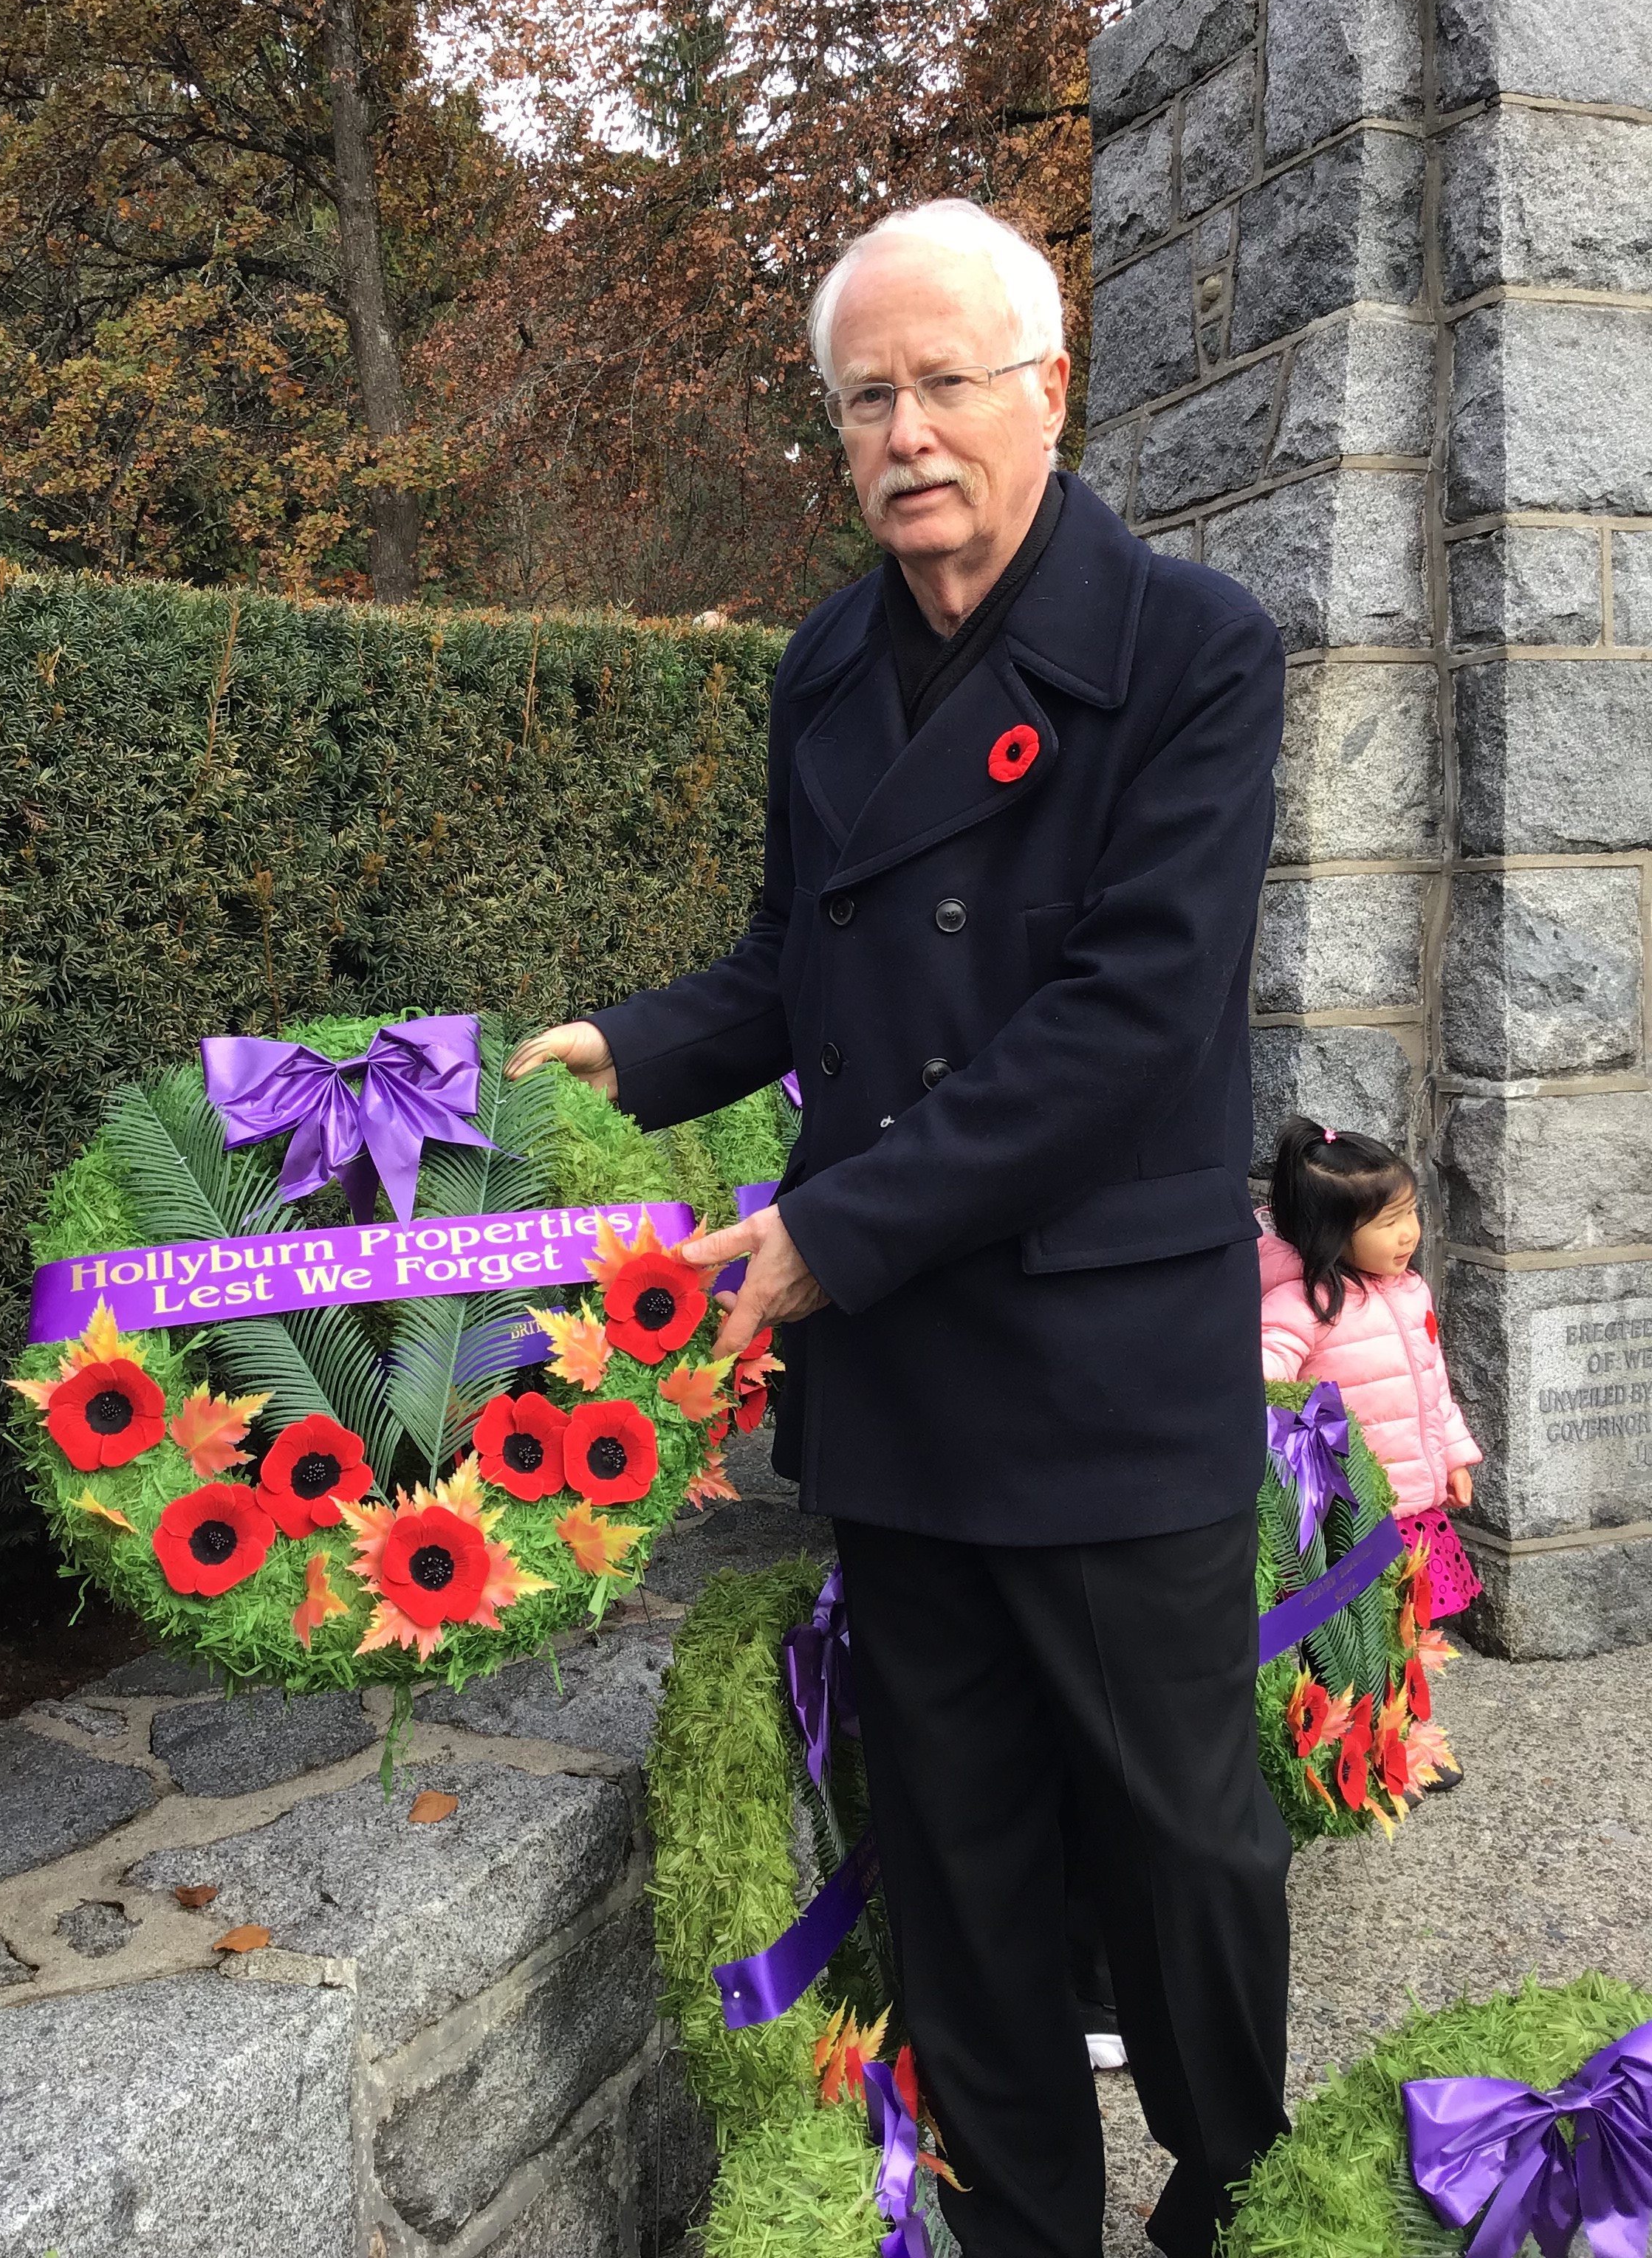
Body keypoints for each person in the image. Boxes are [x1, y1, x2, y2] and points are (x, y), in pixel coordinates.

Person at [508, 197, 1292, 2258]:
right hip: (913, 1389)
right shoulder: (829, 662)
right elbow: (798, 961)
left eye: (947, 381)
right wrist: (621, 1053)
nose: (907, 431)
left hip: (1106, 1371)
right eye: (869, 396)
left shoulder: (1195, 651)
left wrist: (830, 1234)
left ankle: (1234, 2179)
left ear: (1051, 385)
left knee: (1185, 1837)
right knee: (957, 1842)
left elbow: (1128, 1027)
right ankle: (1022, 2216)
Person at [1258, 1116, 1484, 1733]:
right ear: (1331, 1231)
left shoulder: (1409, 1291)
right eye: (1389, 1223)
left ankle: (1406, 1736)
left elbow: (1433, 1386)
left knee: (1409, 1625)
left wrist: (1455, 1458)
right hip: (1349, 1513)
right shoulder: (1302, 1306)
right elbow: (1260, 1381)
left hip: (1415, 1504)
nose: (1410, 1234)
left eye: (1411, 1214)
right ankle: (1354, 1741)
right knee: (1351, 1634)